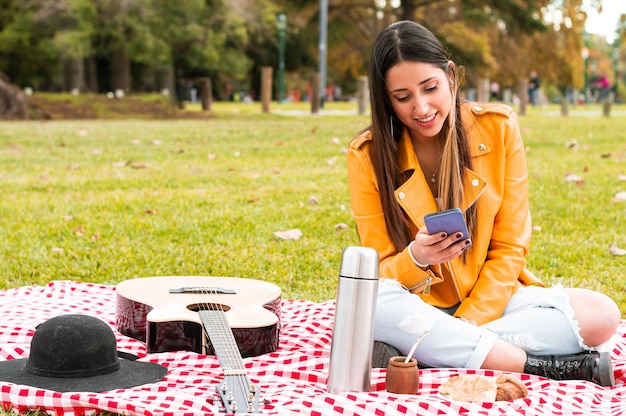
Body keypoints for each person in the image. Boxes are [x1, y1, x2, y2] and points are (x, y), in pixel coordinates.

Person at [347, 21, 621, 386]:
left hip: (491, 304)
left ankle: (431, 355)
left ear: (450, 76)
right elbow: (378, 272)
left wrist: (466, 323)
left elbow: (509, 249)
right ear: (385, 98)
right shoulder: (367, 155)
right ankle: (532, 365)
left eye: (430, 88)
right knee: (371, 302)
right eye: (403, 97)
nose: (422, 107)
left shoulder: (498, 127)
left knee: (602, 314)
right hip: (414, 306)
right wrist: (417, 259)